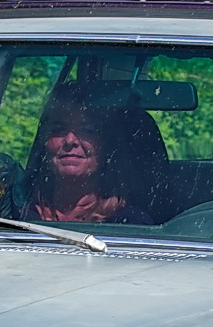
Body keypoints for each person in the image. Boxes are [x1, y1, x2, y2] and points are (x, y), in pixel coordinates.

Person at [26, 85, 157, 224]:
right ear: (44, 140)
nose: (70, 140)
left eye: (87, 130)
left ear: (107, 145)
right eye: (59, 129)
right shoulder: (17, 214)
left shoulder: (130, 225)